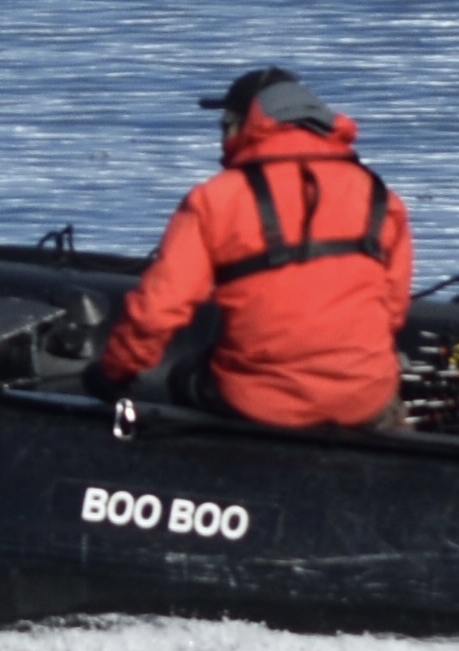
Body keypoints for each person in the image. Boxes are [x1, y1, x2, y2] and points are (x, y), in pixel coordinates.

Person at [94, 68, 415, 428]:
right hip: (363, 398)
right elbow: (392, 309)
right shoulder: (381, 199)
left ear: (240, 124)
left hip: (259, 400)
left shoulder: (217, 198)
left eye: (224, 124)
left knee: (183, 378)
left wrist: (112, 375)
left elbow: (159, 309)